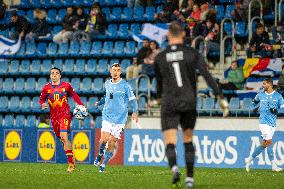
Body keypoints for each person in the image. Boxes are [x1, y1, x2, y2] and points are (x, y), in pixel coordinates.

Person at [152, 21, 228, 188]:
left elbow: (158, 84)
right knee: (187, 140)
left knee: (170, 141)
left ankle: (173, 167)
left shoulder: (160, 57)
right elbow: (207, 75)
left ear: (168, 35)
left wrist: (157, 98)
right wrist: (220, 96)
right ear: (183, 34)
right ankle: (190, 179)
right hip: (188, 101)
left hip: (169, 102)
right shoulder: (192, 53)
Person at [39, 67, 86, 173]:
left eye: (56, 73)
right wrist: (42, 104)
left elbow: (74, 95)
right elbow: (41, 99)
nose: (54, 75)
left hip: (65, 115)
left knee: (64, 137)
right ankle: (72, 157)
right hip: (54, 118)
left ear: (60, 75)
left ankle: (71, 165)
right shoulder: (46, 88)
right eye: (52, 73)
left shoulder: (66, 86)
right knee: (62, 140)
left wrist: (81, 105)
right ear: (50, 76)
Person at [93, 63, 138, 173]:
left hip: (120, 119)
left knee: (112, 142)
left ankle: (103, 164)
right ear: (110, 72)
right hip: (107, 115)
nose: (115, 72)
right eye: (114, 70)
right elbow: (107, 96)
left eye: (118, 70)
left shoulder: (125, 85)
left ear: (120, 72)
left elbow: (133, 99)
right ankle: (99, 154)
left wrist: (135, 112)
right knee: (104, 139)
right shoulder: (107, 83)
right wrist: (99, 102)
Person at [245, 78, 283, 172]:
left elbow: (283, 107)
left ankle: (249, 159)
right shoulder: (260, 95)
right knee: (269, 141)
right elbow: (253, 104)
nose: (263, 85)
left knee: (264, 144)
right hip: (263, 123)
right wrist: (253, 109)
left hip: (272, 123)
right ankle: (274, 166)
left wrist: (276, 110)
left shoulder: (278, 96)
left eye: (264, 84)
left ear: (270, 84)